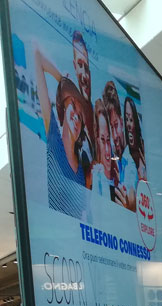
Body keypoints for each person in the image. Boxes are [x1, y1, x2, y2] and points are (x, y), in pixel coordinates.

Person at [35, 47, 91, 217]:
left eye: (80, 116)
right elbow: (37, 55)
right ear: (63, 109)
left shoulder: (82, 169)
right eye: (72, 105)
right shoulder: (54, 141)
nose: (76, 115)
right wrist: (62, 80)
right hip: (53, 237)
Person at [103, 82, 136, 210]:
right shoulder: (113, 160)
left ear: (122, 123)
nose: (114, 135)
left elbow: (131, 194)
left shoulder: (130, 160)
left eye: (116, 125)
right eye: (111, 128)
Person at [90, 99, 120, 202]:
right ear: (97, 140)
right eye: (103, 140)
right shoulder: (93, 176)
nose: (107, 150)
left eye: (108, 140)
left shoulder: (118, 173)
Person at [123, 97, 147, 181]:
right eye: (126, 119)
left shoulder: (145, 151)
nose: (128, 124)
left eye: (131, 120)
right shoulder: (125, 156)